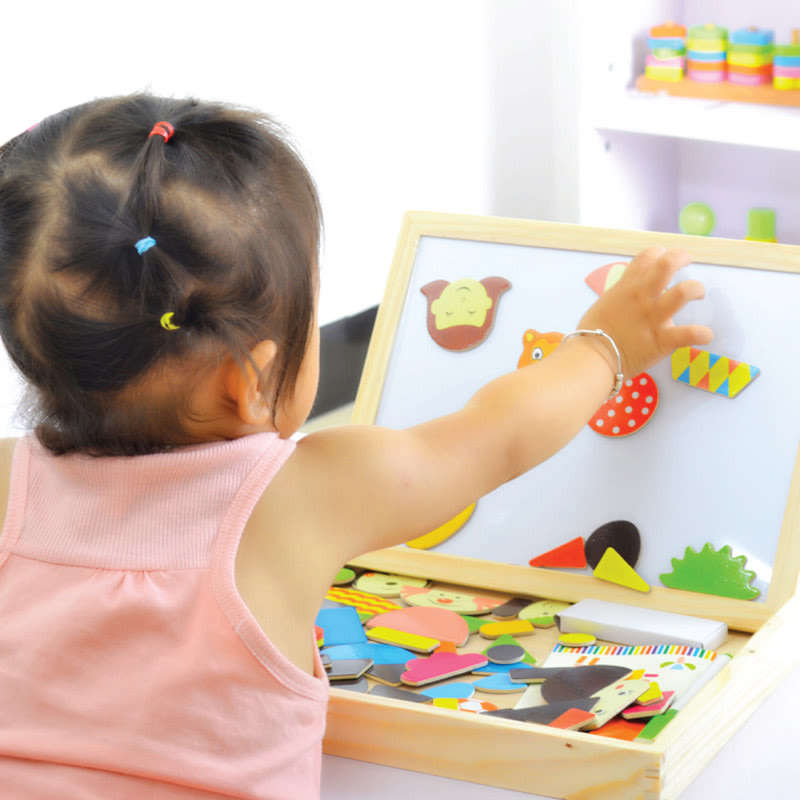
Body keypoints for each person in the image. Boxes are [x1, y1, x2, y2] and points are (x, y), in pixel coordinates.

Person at [0, 94, 713, 798]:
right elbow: (498, 437)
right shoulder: (302, 496)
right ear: (247, 381)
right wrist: (606, 345)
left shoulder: (9, 485)